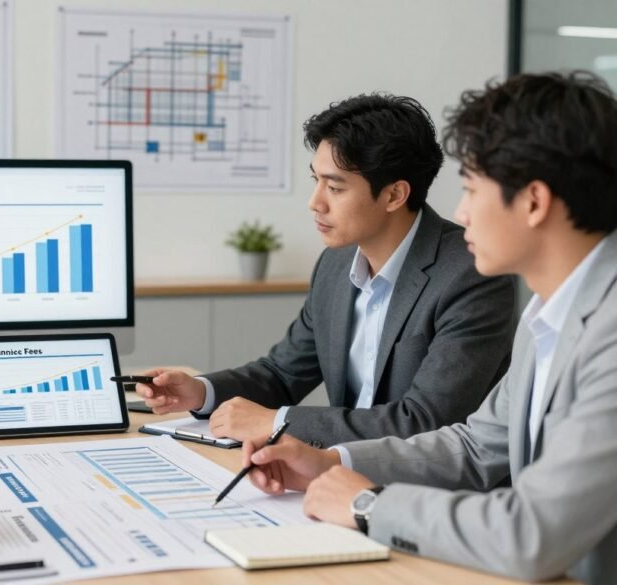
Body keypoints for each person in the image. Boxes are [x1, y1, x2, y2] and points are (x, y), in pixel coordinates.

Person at [241, 71, 617, 584]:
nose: (461, 212)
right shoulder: (547, 314)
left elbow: (532, 533)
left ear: (533, 201)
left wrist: (369, 505)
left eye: (472, 189)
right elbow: (475, 446)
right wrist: (331, 462)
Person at [137, 94, 517, 446]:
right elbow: (283, 374)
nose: (315, 202)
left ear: (394, 195)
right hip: (337, 471)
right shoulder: (336, 264)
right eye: (315, 180)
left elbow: (424, 421)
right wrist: (201, 392)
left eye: (335, 188)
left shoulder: (471, 274)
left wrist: (277, 422)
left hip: (426, 486)